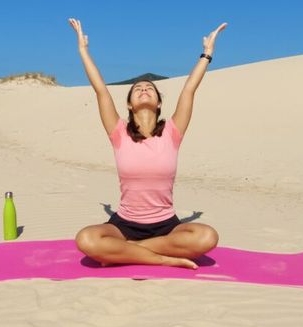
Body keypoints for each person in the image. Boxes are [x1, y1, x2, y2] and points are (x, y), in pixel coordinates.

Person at [68, 18, 227, 269]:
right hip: (125, 224)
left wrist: (206, 54)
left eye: (149, 87)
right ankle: (162, 259)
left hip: (166, 226)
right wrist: (83, 51)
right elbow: (101, 90)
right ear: (129, 104)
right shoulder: (119, 133)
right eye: (137, 88)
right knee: (86, 239)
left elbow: (189, 90)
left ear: (159, 102)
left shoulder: (172, 133)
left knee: (208, 236)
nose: (143, 88)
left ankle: (128, 253)